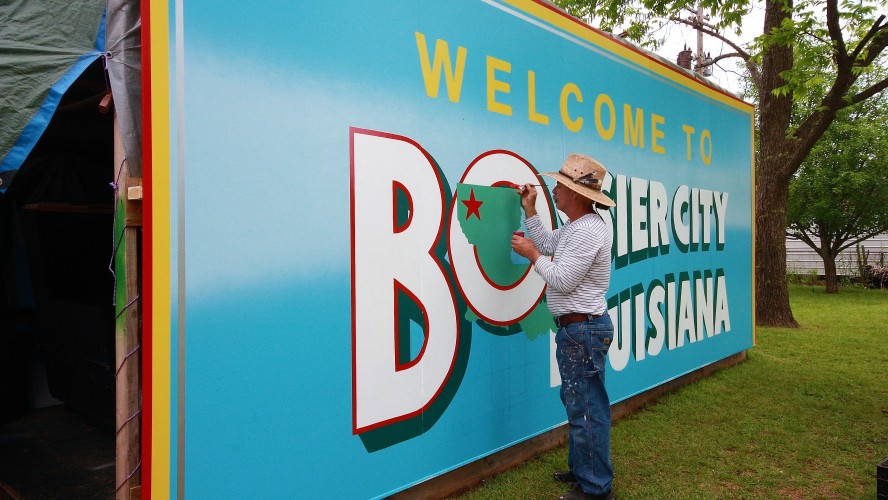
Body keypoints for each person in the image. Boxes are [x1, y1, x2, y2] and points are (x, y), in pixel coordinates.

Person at [511, 153, 616, 500]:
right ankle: (583, 472)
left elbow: (564, 278)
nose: (554, 190)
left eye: (560, 185)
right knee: (580, 403)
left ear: (577, 193)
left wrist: (531, 256)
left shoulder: (586, 231)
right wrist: (531, 210)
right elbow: (547, 243)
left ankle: (596, 489)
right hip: (582, 330)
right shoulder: (579, 227)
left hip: (582, 330)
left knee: (586, 407)